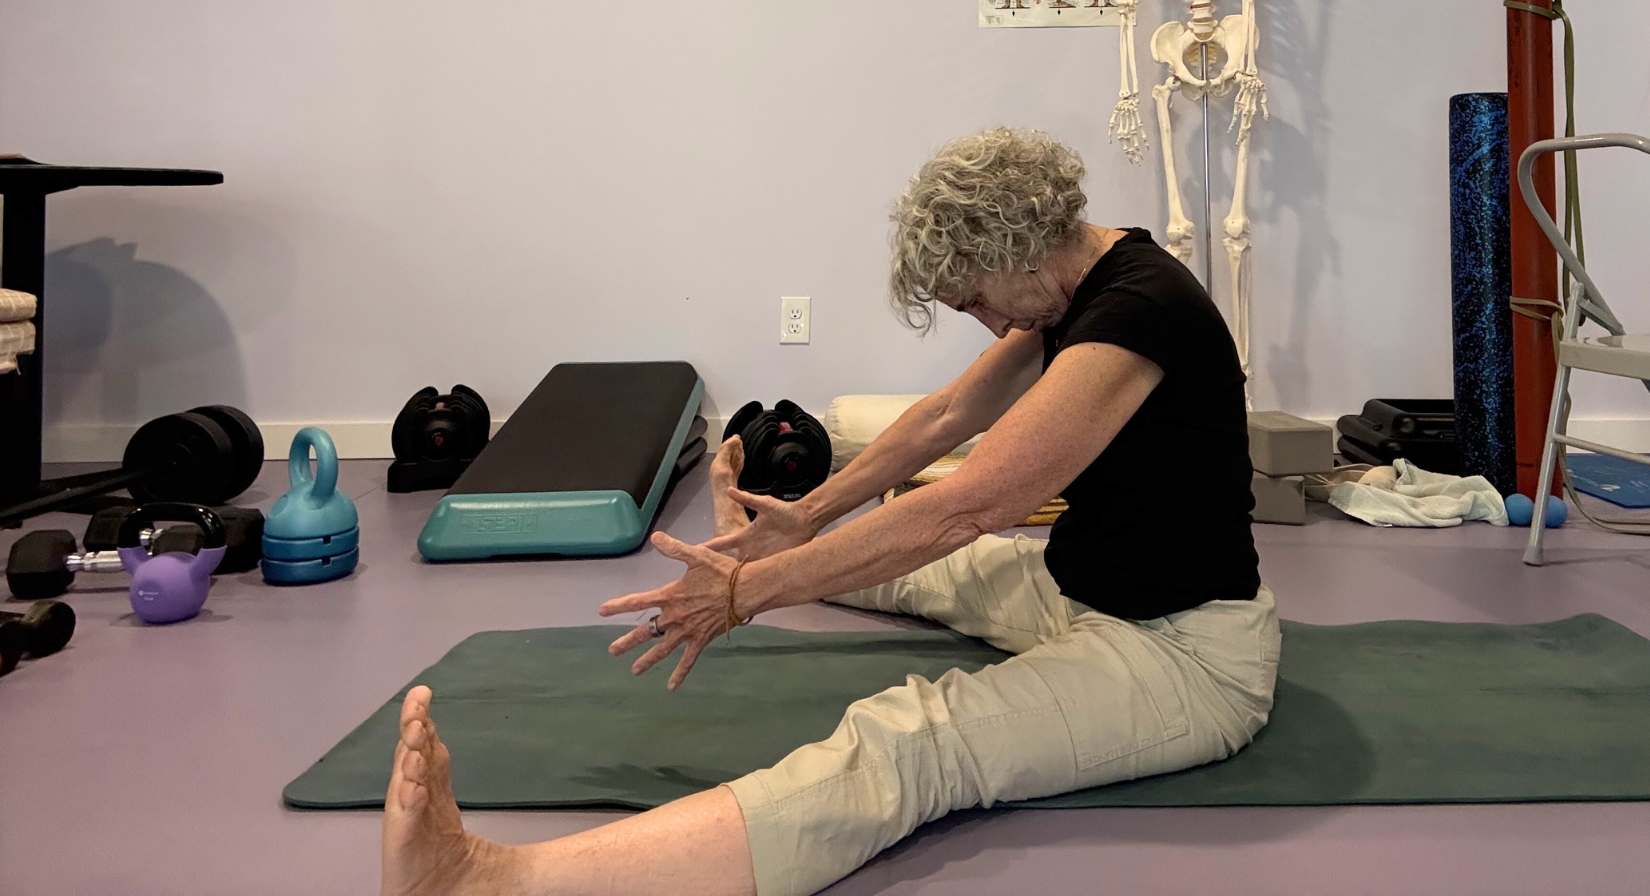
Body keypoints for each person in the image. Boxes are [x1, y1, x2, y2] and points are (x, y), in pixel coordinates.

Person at [378, 128, 1279, 896]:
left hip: (1184, 657)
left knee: (906, 743)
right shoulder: (1081, 277)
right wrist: (802, 519)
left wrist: (751, 591)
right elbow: (944, 417)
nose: (979, 320)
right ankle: (771, 553)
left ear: (1016, 247)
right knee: (904, 564)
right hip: (1080, 589)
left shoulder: (1141, 311)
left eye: (973, 299)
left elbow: (972, 503)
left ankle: (487, 877)